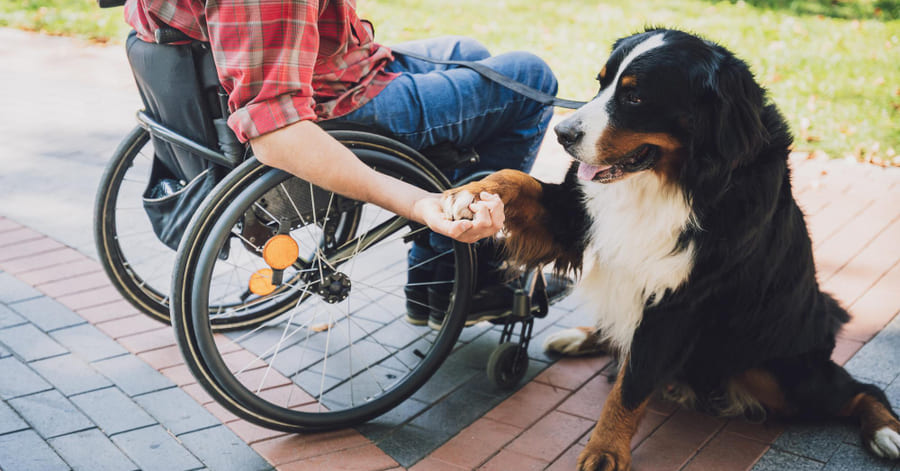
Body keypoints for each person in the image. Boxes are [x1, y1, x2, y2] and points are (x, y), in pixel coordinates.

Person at [124, 0, 565, 328]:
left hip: (327, 69)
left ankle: (437, 273)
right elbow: (276, 130)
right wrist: (418, 202)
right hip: (334, 109)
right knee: (528, 80)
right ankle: (464, 280)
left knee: (469, 52)